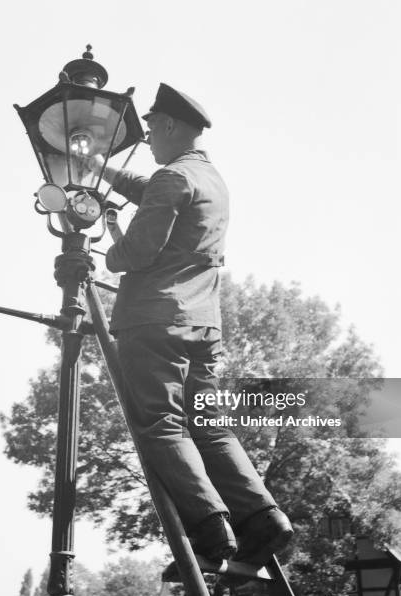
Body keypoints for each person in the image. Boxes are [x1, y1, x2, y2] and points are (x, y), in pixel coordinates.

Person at [95, 83, 293, 566]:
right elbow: (158, 191)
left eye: (148, 133)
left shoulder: (171, 178)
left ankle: (210, 530)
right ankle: (265, 519)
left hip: (154, 322)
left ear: (167, 126)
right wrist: (108, 176)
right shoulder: (210, 180)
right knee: (209, 426)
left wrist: (113, 244)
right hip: (204, 326)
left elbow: (136, 253)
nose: (148, 142)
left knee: (161, 426)